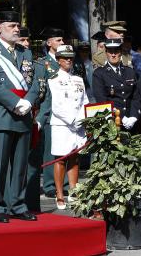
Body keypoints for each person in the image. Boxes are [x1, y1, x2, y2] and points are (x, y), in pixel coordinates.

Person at [0, 10, 38, 223]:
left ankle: (18, 204)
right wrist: (16, 103)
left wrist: (29, 101)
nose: (16, 29)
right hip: (2, 113)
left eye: (17, 25)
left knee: (20, 164)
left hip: (23, 113)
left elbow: (34, 81)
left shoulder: (25, 52)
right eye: (11, 26)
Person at [25, 27, 66, 210]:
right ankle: (50, 185)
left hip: (64, 112)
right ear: (49, 43)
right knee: (50, 150)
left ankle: (63, 184)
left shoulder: (66, 61)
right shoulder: (43, 64)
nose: (62, 43)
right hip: (49, 111)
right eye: (58, 40)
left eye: (62, 40)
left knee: (64, 150)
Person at [47, 45, 88, 209]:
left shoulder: (78, 79)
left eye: (71, 57)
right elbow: (57, 106)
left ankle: (74, 191)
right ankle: (59, 194)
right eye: (65, 57)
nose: (69, 60)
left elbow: (84, 101)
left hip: (78, 125)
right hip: (62, 125)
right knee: (61, 159)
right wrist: (73, 120)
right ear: (58, 60)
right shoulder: (53, 79)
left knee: (74, 158)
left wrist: (83, 119)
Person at [91, 38, 138, 127]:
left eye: (116, 51)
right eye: (110, 51)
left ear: (120, 52)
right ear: (106, 52)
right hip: (112, 122)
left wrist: (134, 116)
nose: (113, 55)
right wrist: (121, 117)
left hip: (131, 122)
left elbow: (136, 97)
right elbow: (102, 100)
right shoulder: (99, 73)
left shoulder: (130, 72)